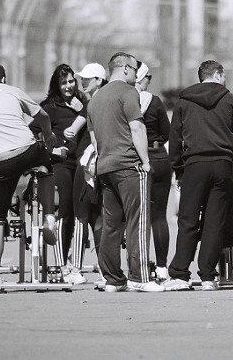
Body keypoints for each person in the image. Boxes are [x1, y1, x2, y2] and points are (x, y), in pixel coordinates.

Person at [0, 61, 58, 293]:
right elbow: (43, 115)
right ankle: (49, 215)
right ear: (3, 78)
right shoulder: (12, 91)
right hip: (27, 151)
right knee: (46, 165)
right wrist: (48, 137)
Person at [86, 53, 163, 293]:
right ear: (126, 68)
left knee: (111, 224)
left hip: (105, 167)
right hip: (129, 166)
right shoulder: (128, 92)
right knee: (138, 221)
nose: (137, 74)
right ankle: (139, 276)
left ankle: (112, 278)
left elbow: (94, 140)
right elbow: (137, 128)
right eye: (136, 68)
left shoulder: (95, 100)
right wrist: (146, 161)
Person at [164, 60, 233, 292]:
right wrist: (228, 160)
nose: (225, 80)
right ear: (217, 74)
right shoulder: (230, 100)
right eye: (224, 75)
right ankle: (208, 276)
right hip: (221, 165)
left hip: (194, 164)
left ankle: (180, 273)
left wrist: (178, 168)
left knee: (188, 220)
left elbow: (175, 137)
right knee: (214, 221)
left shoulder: (184, 101)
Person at [33, 64, 86, 273]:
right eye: (63, 83)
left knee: (77, 212)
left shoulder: (82, 102)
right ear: (56, 85)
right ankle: (60, 262)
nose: (68, 86)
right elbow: (33, 132)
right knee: (65, 209)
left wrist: (82, 110)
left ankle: (72, 261)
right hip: (60, 163)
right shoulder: (49, 106)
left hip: (80, 162)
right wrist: (51, 149)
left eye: (71, 81)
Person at [65, 62, 107, 285]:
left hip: (86, 162)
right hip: (102, 162)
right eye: (82, 78)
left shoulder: (91, 104)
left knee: (81, 214)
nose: (82, 82)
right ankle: (105, 270)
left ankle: (76, 269)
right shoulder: (105, 101)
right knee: (97, 216)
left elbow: (72, 131)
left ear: (99, 81)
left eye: (87, 79)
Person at [134, 62, 172, 282]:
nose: (150, 81)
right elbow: (166, 133)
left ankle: (138, 265)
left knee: (136, 217)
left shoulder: (125, 100)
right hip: (158, 157)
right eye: (148, 76)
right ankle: (162, 266)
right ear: (141, 77)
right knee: (159, 216)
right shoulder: (155, 101)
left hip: (135, 159)